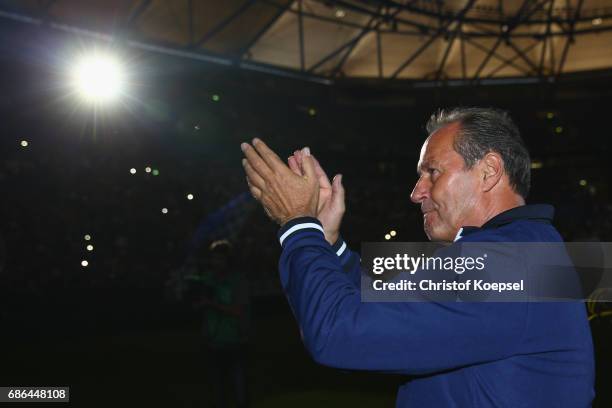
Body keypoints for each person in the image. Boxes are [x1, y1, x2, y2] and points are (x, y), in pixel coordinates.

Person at [240, 107, 594, 407]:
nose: (416, 192)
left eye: (432, 172)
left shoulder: (506, 260)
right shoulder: (523, 251)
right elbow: (384, 314)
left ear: (488, 171)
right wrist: (329, 242)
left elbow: (340, 333)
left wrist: (298, 226)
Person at [193, 239, 250, 408]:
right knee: (217, 388)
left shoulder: (238, 281)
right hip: (213, 340)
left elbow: (238, 311)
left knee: (237, 386)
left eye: (220, 258)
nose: (215, 262)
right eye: (214, 258)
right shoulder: (209, 278)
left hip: (235, 340)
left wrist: (211, 304)